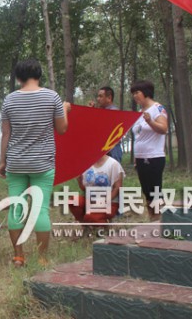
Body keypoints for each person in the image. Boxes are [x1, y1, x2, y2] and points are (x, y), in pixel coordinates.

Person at [0, 59, 69, 267]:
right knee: (40, 209)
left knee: (16, 209)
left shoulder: (9, 100)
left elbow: (5, 134)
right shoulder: (51, 97)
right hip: (42, 163)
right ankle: (42, 258)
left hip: (17, 162)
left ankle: (18, 256)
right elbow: (62, 128)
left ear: (18, 77)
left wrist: (3, 161)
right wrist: (64, 109)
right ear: (39, 75)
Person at [130, 80, 168, 221]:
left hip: (153, 157)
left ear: (146, 93)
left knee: (155, 191)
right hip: (141, 157)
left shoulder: (157, 108)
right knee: (146, 191)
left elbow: (163, 129)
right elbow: (138, 136)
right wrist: (135, 157)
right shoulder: (140, 113)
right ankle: (152, 218)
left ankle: (160, 219)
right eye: (133, 93)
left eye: (137, 92)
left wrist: (150, 121)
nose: (134, 96)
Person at [68, 155, 124, 227]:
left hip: (110, 203)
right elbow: (85, 189)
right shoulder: (85, 164)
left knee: (90, 218)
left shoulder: (113, 164)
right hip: (91, 201)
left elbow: (118, 187)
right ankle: (85, 224)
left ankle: (104, 222)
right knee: (73, 200)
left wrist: (104, 201)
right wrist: (80, 181)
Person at [89, 86, 123, 163]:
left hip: (112, 149)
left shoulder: (113, 112)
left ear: (109, 98)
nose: (98, 99)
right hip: (104, 148)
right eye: (98, 96)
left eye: (101, 96)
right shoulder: (103, 111)